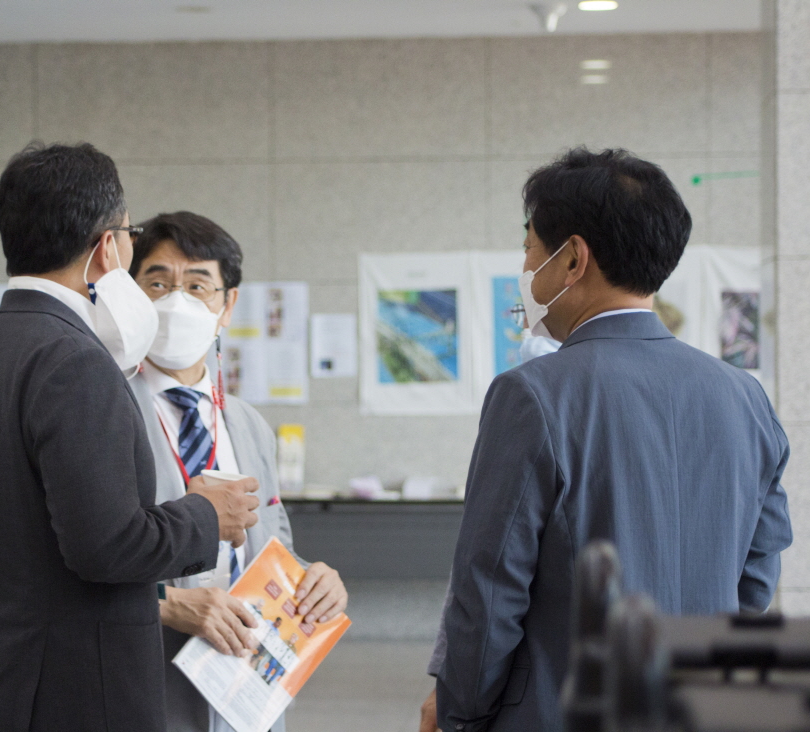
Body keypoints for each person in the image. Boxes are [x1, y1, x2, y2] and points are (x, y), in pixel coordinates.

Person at [419, 148, 792, 732]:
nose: (526, 268)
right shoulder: (744, 397)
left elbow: (489, 593)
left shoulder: (533, 395)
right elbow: (758, 568)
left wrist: (459, 712)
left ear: (573, 259)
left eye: (530, 249)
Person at [0, 144, 261, 732]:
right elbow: (108, 546)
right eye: (130, 236)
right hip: (74, 698)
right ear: (108, 247)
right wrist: (207, 515)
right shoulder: (75, 361)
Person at [128, 211, 348, 732]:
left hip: (245, 696)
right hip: (146, 686)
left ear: (227, 306)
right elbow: (76, 561)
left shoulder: (249, 426)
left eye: (197, 285)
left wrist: (314, 581)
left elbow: (273, 549)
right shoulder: (107, 412)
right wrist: (166, 602)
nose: (176, 301)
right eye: (157, 283)